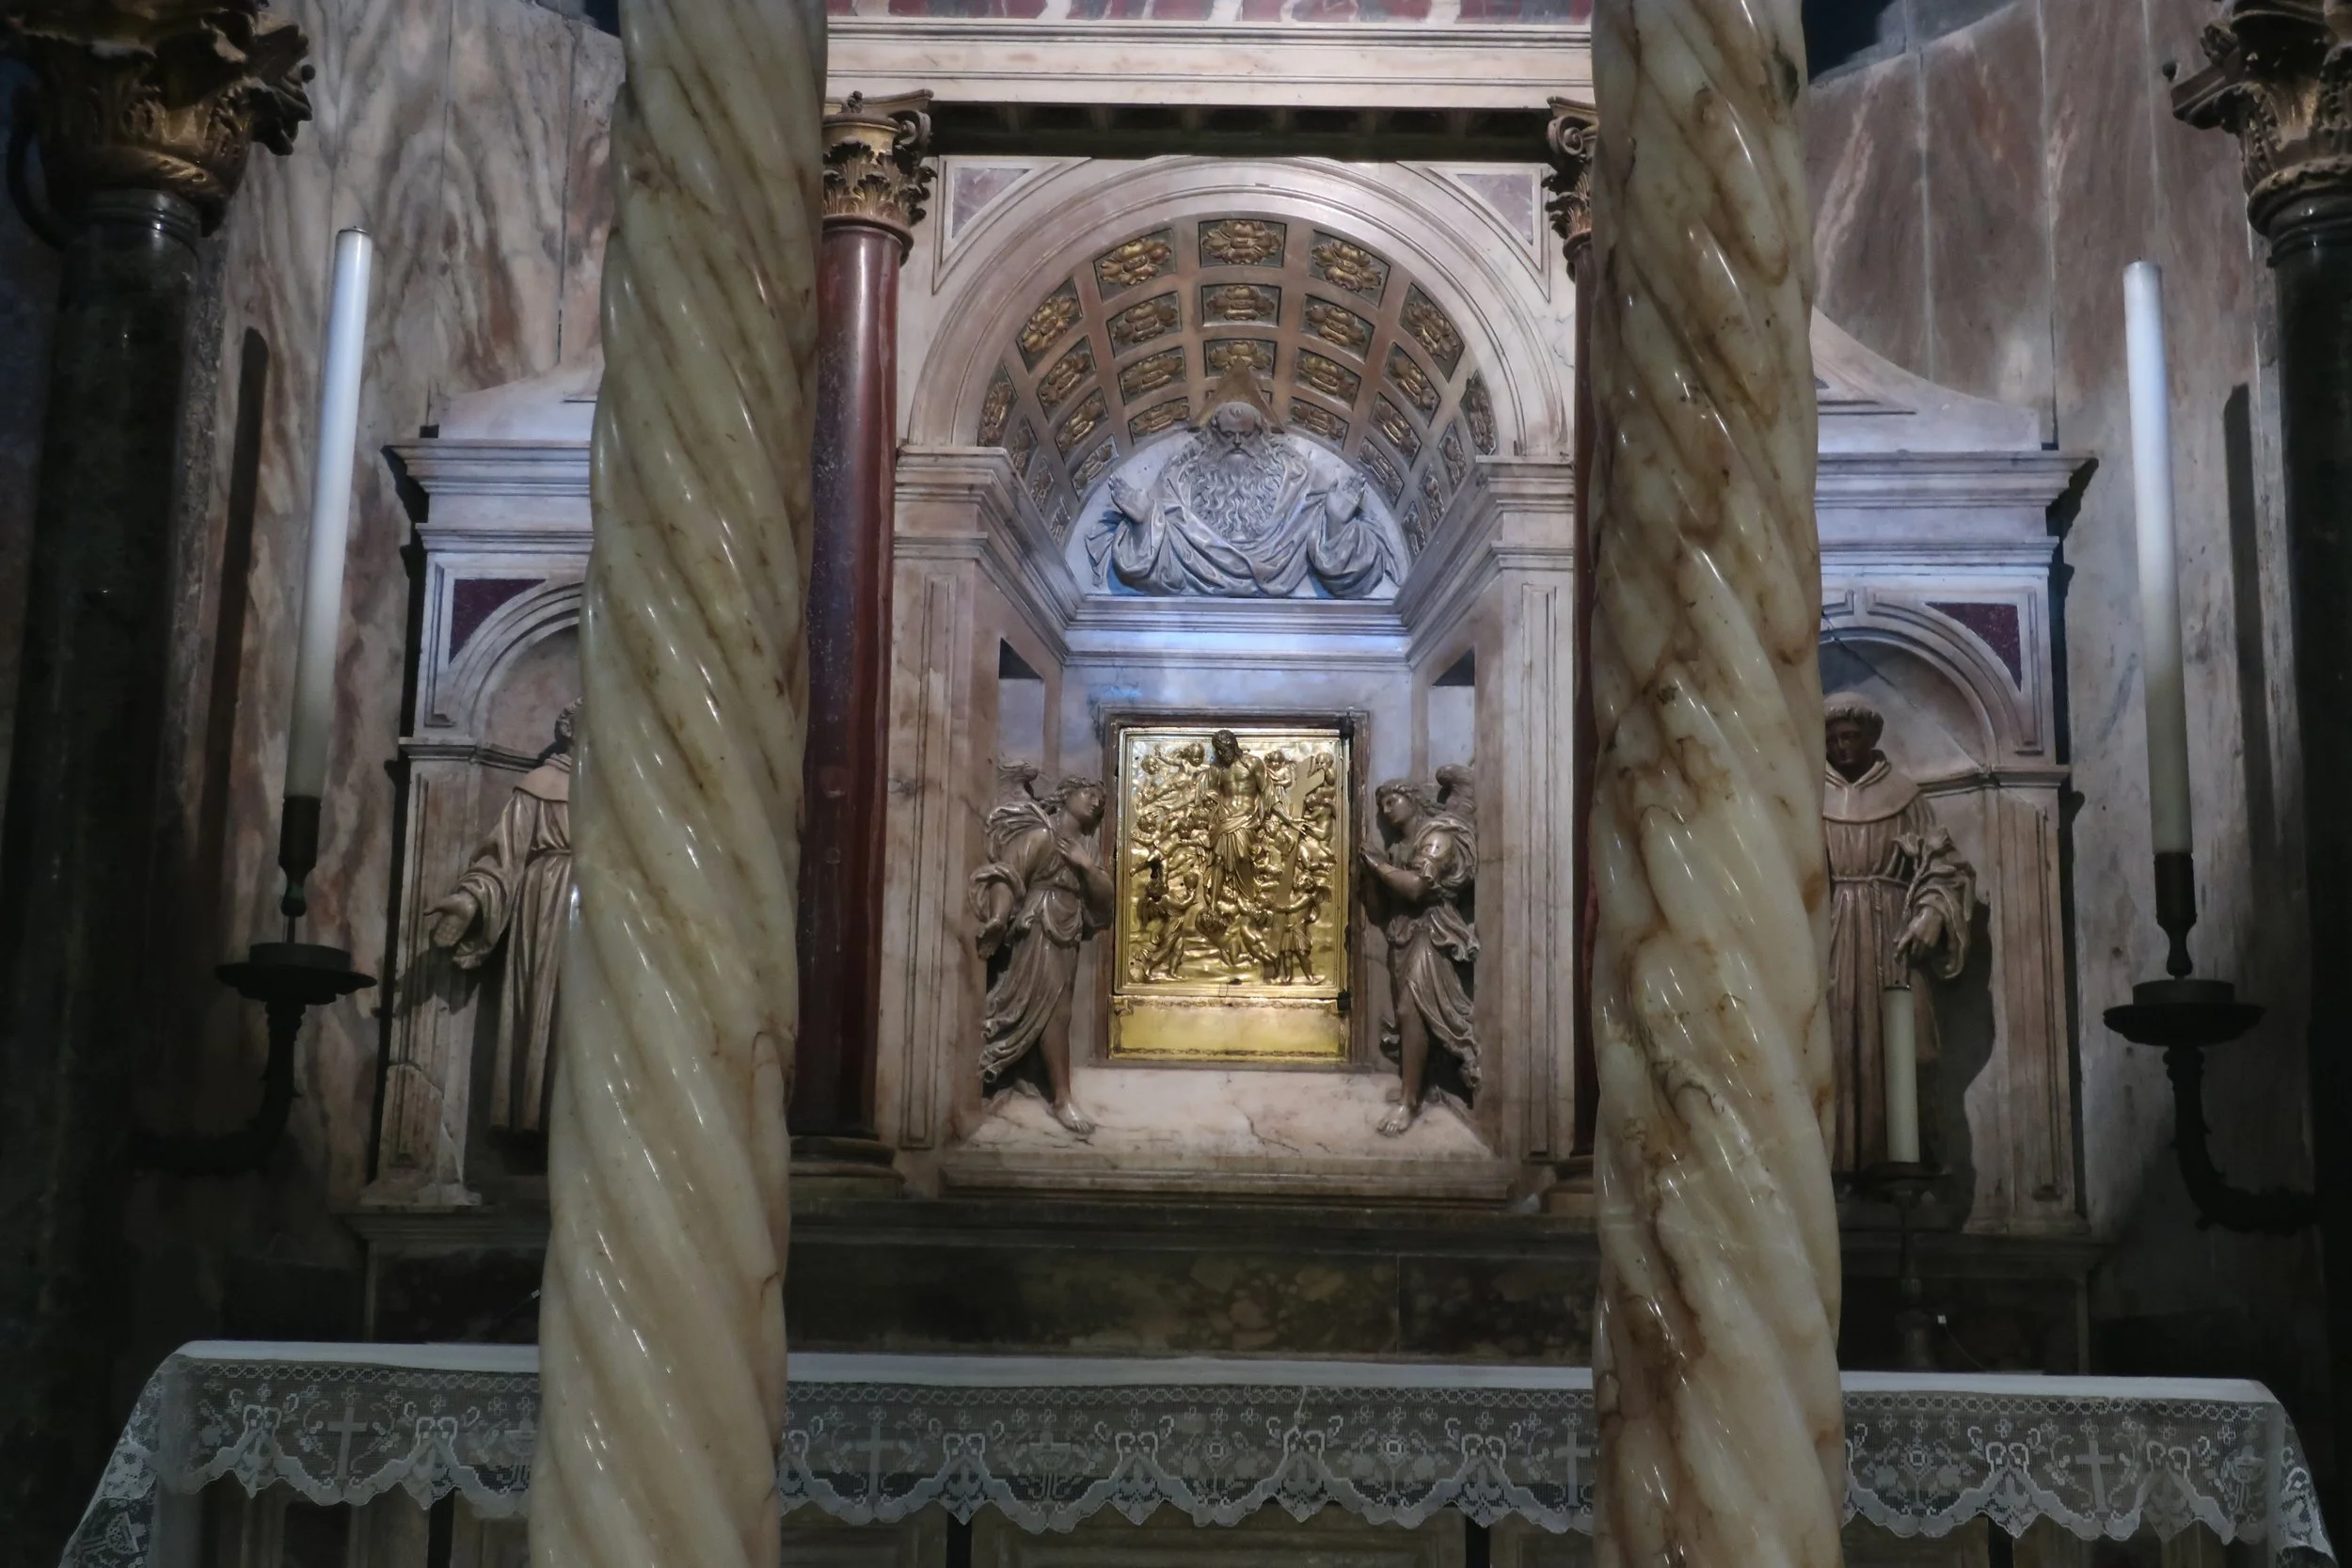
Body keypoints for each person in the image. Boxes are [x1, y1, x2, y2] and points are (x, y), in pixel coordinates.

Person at [1823, 692, 1977, 1172]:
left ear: (1871, 736)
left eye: (1851, 737)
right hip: (1831, 938)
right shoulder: (1809, 798)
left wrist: (1931, 914)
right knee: (1838, 1052)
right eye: (1833, 739)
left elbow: (1945, 868)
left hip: (1894, 935)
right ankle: (1840, 1171)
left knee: (1914, 1055)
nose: (1842, 747)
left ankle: (1907, 1172)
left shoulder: (1907, 798)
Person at [426, 702, 578, 1133]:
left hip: (606, 908)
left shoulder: (622, 788)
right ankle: (541, 1113)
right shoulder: (539, 786)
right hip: (549, 904)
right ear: (569, 730)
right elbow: (502, 859)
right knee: (550, 1009)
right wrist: (471, 899)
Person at [970, 766, 1114, 1134]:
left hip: (1067, 926)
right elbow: (1008, 875)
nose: (1096, 802)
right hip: (1040, 922)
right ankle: (1061, 1098)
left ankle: (1033, 1072)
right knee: (1054, 1011)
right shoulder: (1042, 835)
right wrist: (998, 918)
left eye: (1100, 800)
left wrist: (1087, 868)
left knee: (1052, 1008)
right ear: (1066, 796)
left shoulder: (1085, 848)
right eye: (1088, 793)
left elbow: (1105, 899)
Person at [1361, 766, 1479, 1135]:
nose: (1386, 811)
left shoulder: (1437, 837)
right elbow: (1379, 911)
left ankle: (1408, 1101)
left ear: (1413, 800)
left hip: (1433, 932)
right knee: (1410, 1015)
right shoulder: (1398, 849)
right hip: (1403, 934)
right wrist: (1368, 875)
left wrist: (1378, 867)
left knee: (1411, 1011)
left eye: (1392, 801)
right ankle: (1418, 1085)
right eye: (1381, 806)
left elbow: (1416, 888)